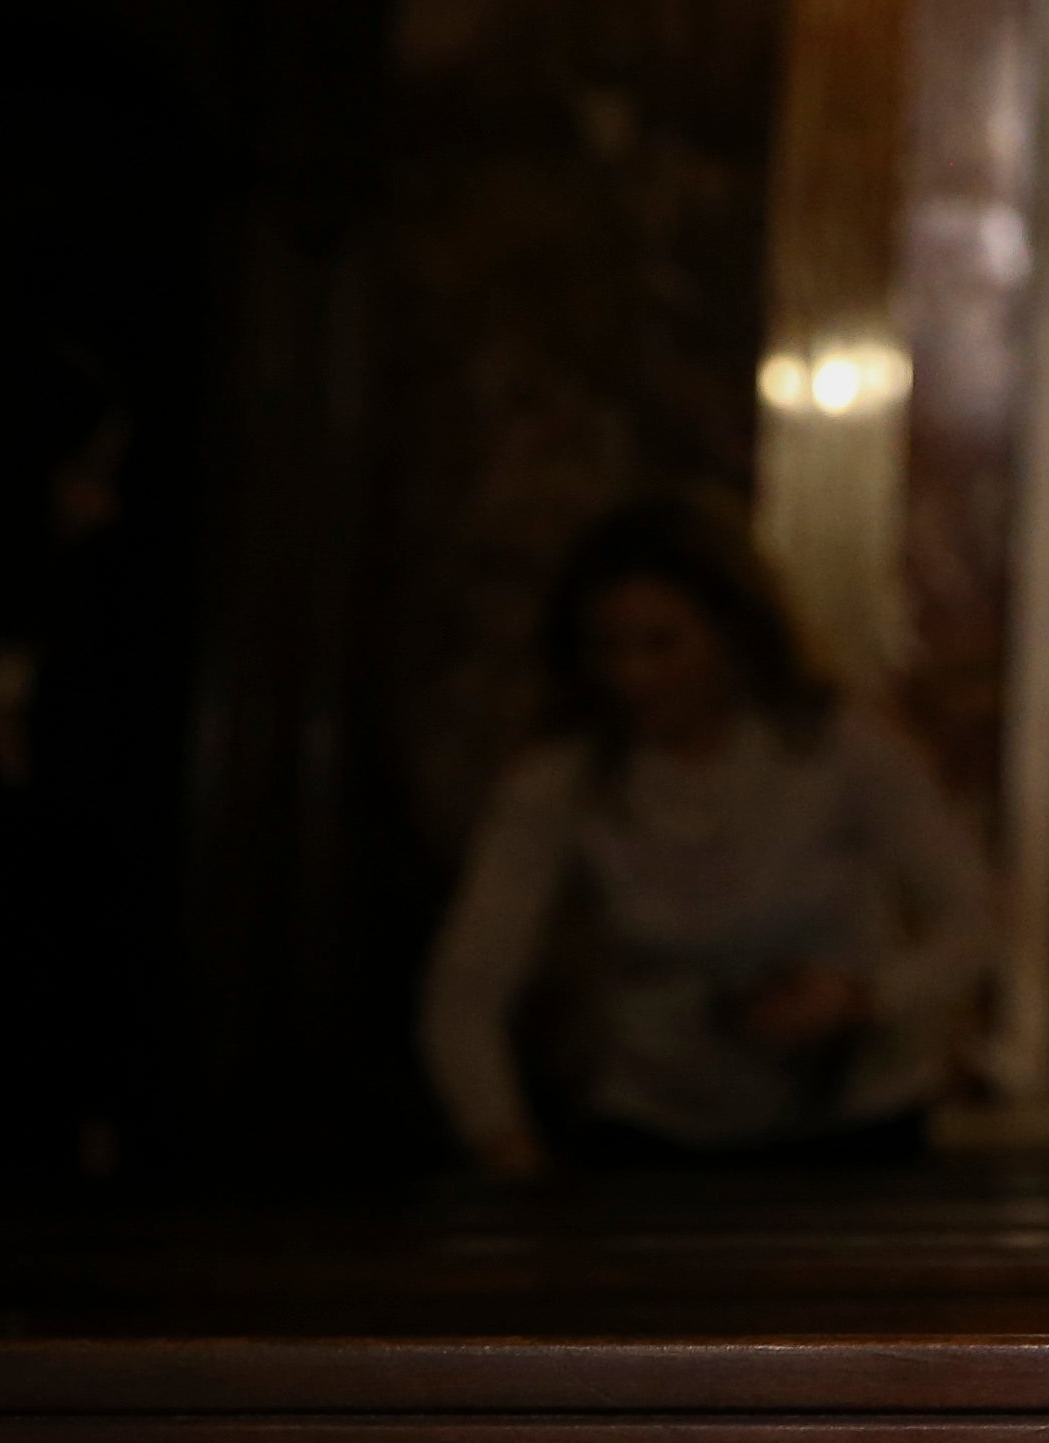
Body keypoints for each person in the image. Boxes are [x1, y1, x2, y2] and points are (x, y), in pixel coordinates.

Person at [420, 493, 996, 1175]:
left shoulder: (835, 749)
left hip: (853, 1136)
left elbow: (976, 921)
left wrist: (860, 998)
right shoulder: (565, 781)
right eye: (611, 648)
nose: (635, 675)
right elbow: (465, 990)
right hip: (655, 1137)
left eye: (662, 643)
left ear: (729, 632)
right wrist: (504, 1146)